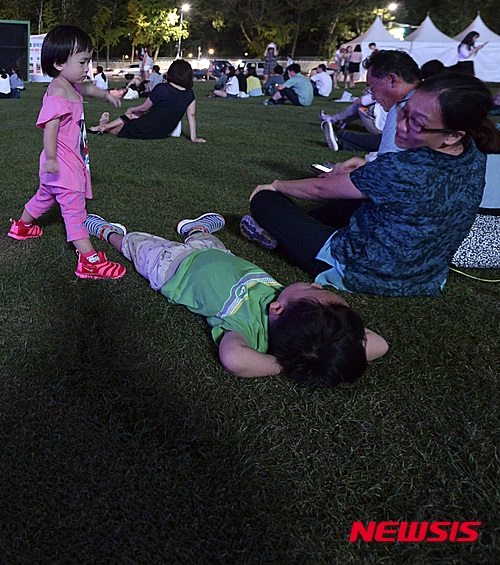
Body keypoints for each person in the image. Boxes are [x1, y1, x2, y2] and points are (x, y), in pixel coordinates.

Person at [240, 73, 500, 297]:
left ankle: (283, 235)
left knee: (266, 200)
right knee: (348, 203)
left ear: (452, 135)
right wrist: (366, 168)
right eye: (404, 112)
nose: (400, 125)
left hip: (360, 270)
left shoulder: (404, 167)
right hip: (426, 276)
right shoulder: (474, 154)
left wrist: (275, 185)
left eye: (416, 123)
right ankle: (292, 232)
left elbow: (319, 189)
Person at [83, 211, 388, 386]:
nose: (314, 284)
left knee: (137, 246)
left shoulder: (248, 330)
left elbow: (233, 359)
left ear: (277, 309)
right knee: (207, 240)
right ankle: (195, 229)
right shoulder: (301, 318)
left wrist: (291, 364)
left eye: (313, 290)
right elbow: (380, 344)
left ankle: (110, 233)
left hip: (169, 267)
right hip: (218, 255)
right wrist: (326, 353)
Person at [7, 24, 126, 280]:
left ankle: (22, 227)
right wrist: (51, 158)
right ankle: (89, 260)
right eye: (82, 62)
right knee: (75, 212)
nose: (87, 68)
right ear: (59, 63)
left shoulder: (70, 86)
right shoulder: (58, 92)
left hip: (59, 166)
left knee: (44, 197)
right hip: (63, 166)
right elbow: (50, 127)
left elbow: (88, 89)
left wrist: (105, 95)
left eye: (88, 62)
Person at [321, 50, 421, 154]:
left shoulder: (402, 108)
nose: (373, 97)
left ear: (392, 80)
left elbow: (388, 158)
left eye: (372, 88)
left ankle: (339, 131)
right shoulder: (425, 96)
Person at [89, 59, 205, 142]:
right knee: (132, 115)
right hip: (161, 132)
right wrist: (193, 138)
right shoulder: (189, 94)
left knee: (115, 128)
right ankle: (103, 126)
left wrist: (132, 108)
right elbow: (191, 115)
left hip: (144, 128)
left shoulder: (162, 88)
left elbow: (144, 108)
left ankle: (103, 124)